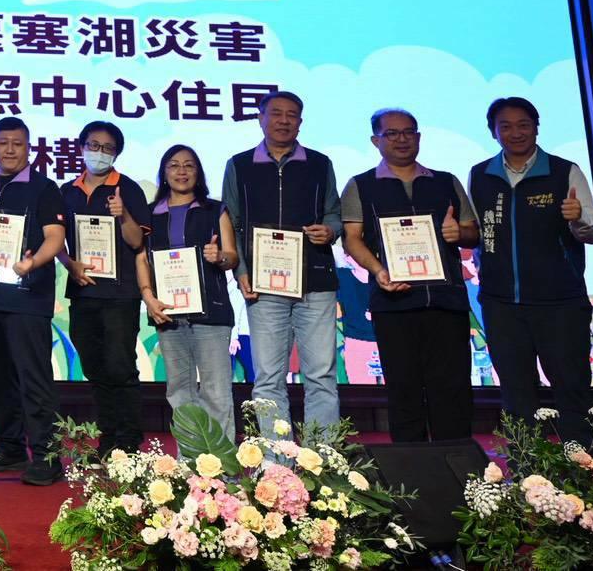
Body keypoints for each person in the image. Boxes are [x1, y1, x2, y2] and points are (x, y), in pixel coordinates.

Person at [469, 96, 593, 447]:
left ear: (536, 128)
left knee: (571, 389)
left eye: (523, 125)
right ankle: (526, 468)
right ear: (493, 132)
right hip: (501, 304)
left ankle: (582, 468)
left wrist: (577, 218)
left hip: (560, 303)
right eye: (506, 126)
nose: (515, 133)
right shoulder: (480, 175)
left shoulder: (564, 171)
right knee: (516, 394)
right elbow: (481, 235)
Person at [341, 108, 478, 443]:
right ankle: (412, 467)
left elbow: (472, 233)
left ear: (418, 137)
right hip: (393, 302)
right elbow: (352, 239)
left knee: (453, 390)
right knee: (403, 391)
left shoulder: (446, 182)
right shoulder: (361, 185)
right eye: (391, 133)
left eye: (408, 132)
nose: (401, 139)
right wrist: (378, 270)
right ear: (375, 140)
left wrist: (458, 234)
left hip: (445, 302)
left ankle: (457, 464)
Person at [225, 90, 342, 440]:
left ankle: (323, 457)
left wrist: (330, 231)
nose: (284, 120)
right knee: (268, 378)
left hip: (316, 282)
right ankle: (278, 459)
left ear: (300, 122)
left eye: (292, 115)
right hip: (264, 284)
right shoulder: (240, 164)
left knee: (321, 375)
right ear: (260, 118)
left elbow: (334, 214)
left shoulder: (319, 163)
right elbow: (231, 221)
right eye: (276, 113)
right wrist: (241, 271)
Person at [0, 117, 67, 485]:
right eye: (3, 143)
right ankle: (10, 448)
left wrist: (33, 262)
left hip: (27, 298)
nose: (9, 150)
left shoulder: (44, 188)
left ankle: (47, 455)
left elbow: (55, 237)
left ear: (29, 148)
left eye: (17, 143)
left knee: (34, 379)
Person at [59, 120, 151, 456]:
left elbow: (137, 241)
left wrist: (122, 214)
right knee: (94, 368)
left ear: (116, 154)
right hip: (83, 291)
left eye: (108, 148)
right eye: (94, 145)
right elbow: (54, 238)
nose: (99, 152)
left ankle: (128, 440)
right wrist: (69, 264)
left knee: (120, 366)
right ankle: (108, 436)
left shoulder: (128, 189)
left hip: (120, 295)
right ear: (82, 147)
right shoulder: (66, 191)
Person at [138, 145, 238, 444]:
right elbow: (142, 259)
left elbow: (232, 256)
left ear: (198, 172)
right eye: (174, 165)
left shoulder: (215, 210)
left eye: (189, 165)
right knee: (179, 390)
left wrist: (219, 257)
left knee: (216, 391)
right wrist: (148, 297)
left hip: (211, 313)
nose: (181, 171)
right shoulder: (150, 214)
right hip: (168, 313)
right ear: (164, 173)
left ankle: (222, 464)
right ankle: (190, 462)